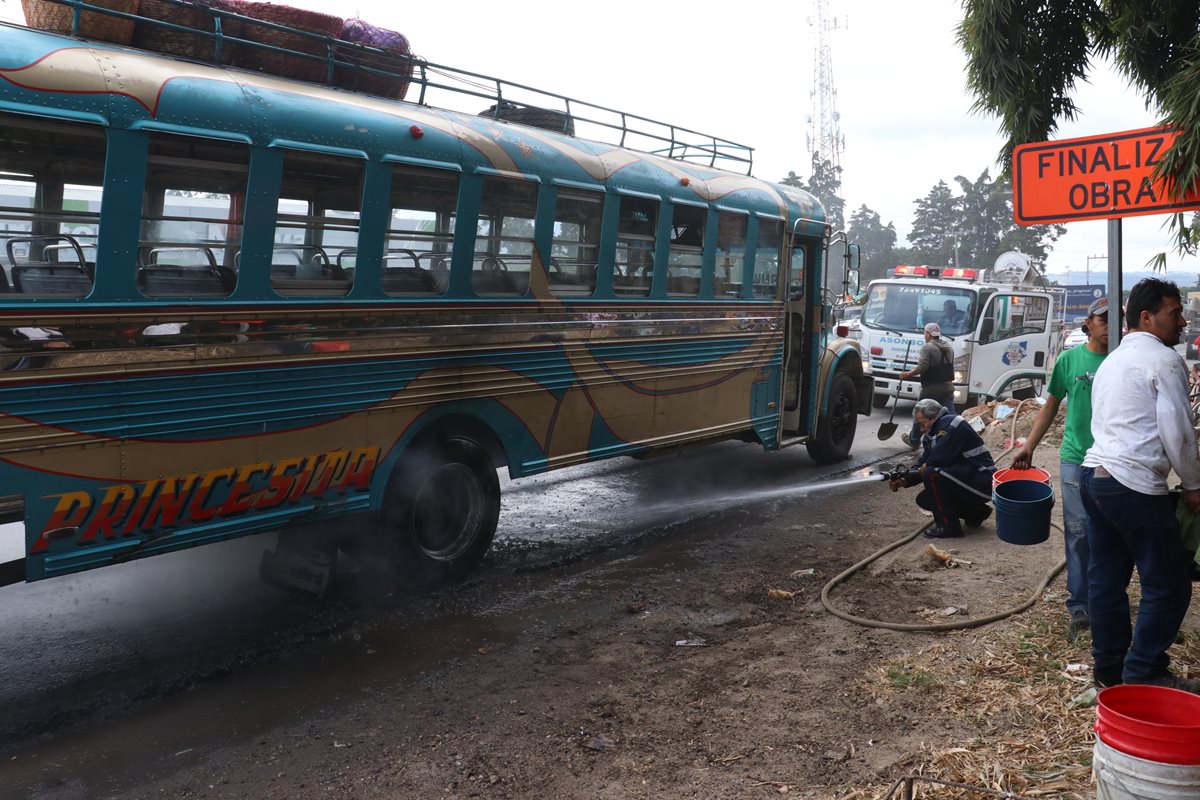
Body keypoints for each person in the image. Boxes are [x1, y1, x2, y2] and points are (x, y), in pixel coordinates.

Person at [1080, 277, 1200, 693]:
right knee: (1169, 584)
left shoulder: (1113, 360)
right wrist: (1193, 484)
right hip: (1131, 483)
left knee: (1106, 579)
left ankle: (1109, 670)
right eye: (1174, 313)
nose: (1182, 321)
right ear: (1147, 317)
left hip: (1094, 478)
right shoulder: (1163, 360)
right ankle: (1144, 673)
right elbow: (1178, 431)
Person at [1011, 297, 1109, 641]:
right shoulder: (1069, 360)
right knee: (1079, 532)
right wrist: (1029, 445)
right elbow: (1050, 406)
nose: (1110, 325)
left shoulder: (1121, 359)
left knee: (1110, 532)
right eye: (1104, 319)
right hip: (1075, 458)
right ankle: (1080, 604)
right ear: (1089, 323)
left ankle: (1106, 598)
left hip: (1112, 461)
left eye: (1116, 319)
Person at [889, 398, 996, 539]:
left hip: (982, 480)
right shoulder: (933, 432)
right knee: (925, 499)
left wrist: (926, 466)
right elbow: (924, 460)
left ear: (934, 416)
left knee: (932, 474)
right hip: (967, 479)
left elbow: (940, 458)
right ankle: (976, 513)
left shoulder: (951, 424)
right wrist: (904, 479)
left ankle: (949, 527)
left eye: (922, 424)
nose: (921, 429)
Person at [899, 322, 955, 449]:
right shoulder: (948, 347)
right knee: (950, 416)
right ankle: (953, 439)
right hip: (948, 387)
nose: (924, 335)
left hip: (931, 389)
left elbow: (922, 367)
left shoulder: (927, 347)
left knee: (920, 413)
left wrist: (907, 374)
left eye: (925, 333)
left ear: (929, 334)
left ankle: (914, 440)